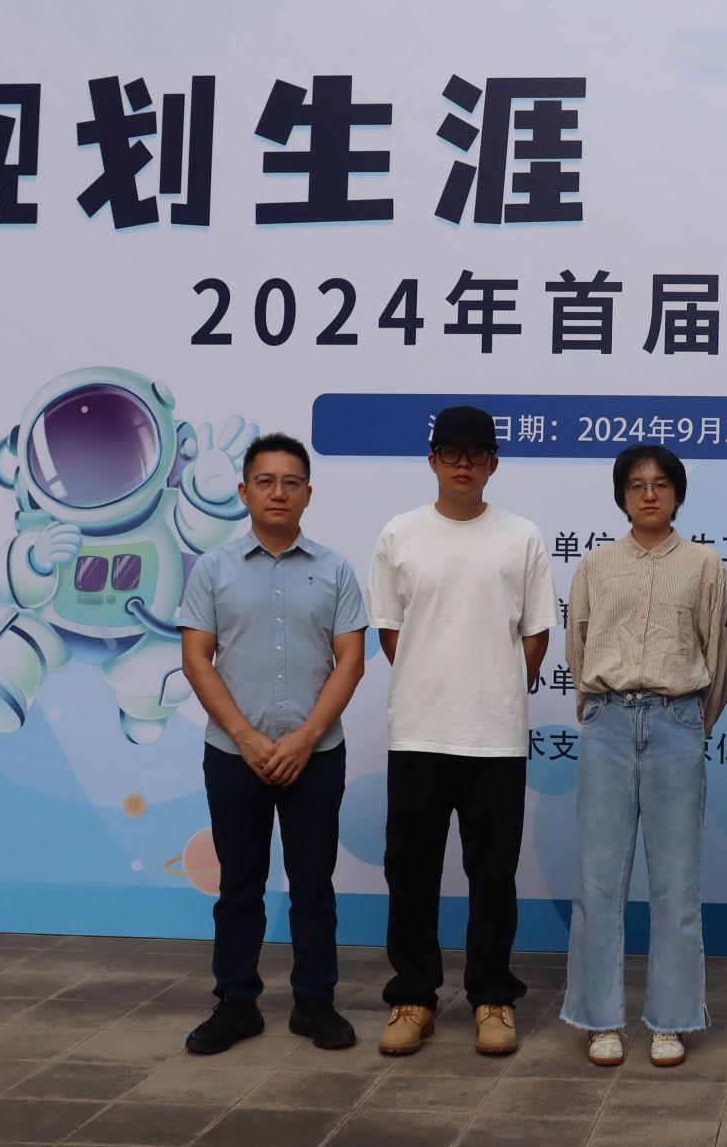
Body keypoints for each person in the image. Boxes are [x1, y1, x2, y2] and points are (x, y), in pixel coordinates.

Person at [368, 404, 558, 1057]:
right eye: (451, 451)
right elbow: (391, 630)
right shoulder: (400, 533)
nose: (463, 463)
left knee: (493, 875)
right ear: (432, 460)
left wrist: (491, 686)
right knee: (411, 873)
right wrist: (437, 679)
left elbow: (535, 634)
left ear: (493, 464)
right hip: (419, 731)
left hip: (495, 736)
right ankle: (413, 998)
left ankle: (492, 998)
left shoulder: (521, 536)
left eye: (476, 453)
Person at [179, 432, 367, 1055]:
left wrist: (306, 738)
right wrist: (247, 737)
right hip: (235, 755)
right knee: (239, 886)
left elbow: (350, 661)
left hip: (317, 754)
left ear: (308, 493)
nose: (278, 492)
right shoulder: (213, 569)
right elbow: (197, 659)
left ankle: (315, 1003)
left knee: (313, 885)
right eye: (265, 481)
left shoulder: (335, 569)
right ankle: (236, 1003)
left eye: (291, 482)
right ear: (244, 492)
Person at [561, 445, 727, 1067]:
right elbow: (578, 646)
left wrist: (691, 723)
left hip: (676, 721)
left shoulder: (704, 564)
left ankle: (671, 1020)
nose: (649, 493)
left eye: (661, 483)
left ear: (678, 493)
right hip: (608, 722)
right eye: (636, 485)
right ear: (621, 496)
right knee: (597, 880)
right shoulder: (596, 564)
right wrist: (600, 710)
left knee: (676, 884)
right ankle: (599, 1019)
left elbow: (720, 655)